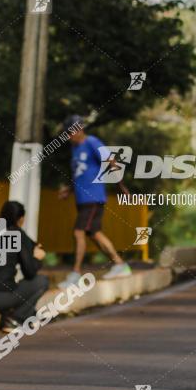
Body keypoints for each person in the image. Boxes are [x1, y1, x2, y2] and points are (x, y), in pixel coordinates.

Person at [58, 115, 131, 286]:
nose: (68, 137)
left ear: (79, 129)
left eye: (70, 133)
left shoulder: (91, 142)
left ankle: (75, 273)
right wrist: (68, 190)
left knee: (79, 232)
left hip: (93, 196)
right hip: (82, 199)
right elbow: (80, 173)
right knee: (94, 233)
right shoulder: (75, 149)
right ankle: (120, 264)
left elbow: (111, 161)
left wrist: (121, 185)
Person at [0, 201, 50, 332]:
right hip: (0, 299)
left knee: (9, 282)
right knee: (41, 281)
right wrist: (37, 258)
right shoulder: (17, 234)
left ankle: (27, 315)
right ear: (21, 219)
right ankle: (16, 318)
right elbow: (29, 273)